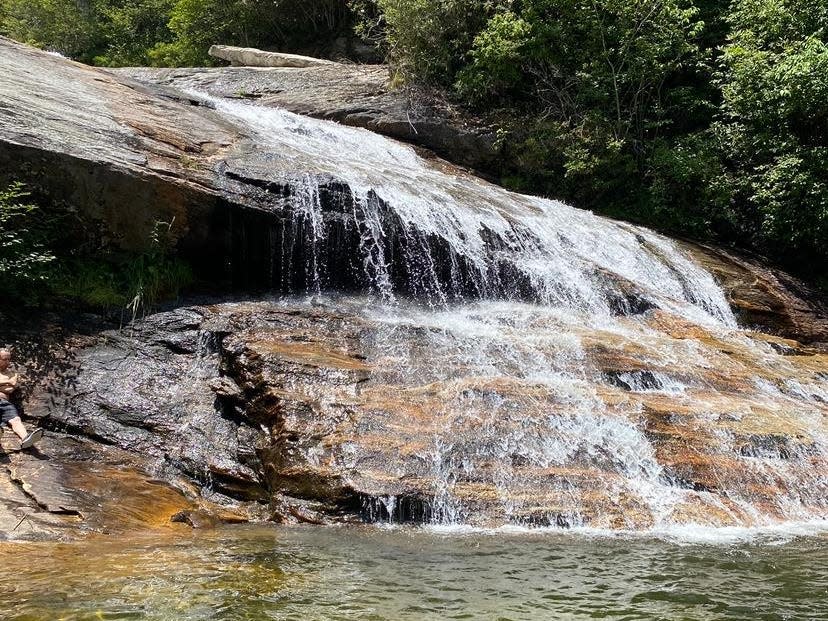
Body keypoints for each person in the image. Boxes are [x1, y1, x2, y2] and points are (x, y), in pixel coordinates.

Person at [0, 348, 43, 449]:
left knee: (16, 419)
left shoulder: (12, 374)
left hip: (6, 403)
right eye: (4, 359)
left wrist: (6, 384)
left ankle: (26, 439)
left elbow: (10, 389)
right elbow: (9, 385)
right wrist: (7, 382)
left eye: (9, 359)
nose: (7, 362)